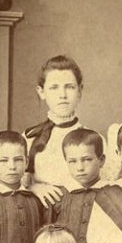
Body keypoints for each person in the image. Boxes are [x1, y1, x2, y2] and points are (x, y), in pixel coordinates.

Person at [24, 55, 93, 206]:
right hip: (37, 215)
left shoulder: (93, 139)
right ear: (41, 92)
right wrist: (34, 187)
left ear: (80, 90)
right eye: (54, 87)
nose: (62, 95)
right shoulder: (29, 138)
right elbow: (13, 183)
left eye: (69, 87)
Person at [50, 128, 108, 243]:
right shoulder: (58, 195)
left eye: (87, 159)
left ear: (101, 160)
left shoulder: (112, 194)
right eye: (72, 161)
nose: (80, 167)